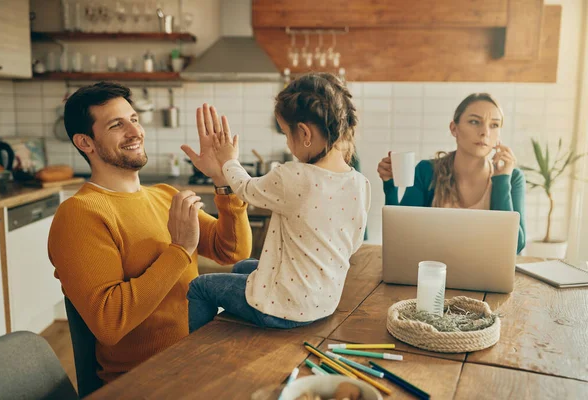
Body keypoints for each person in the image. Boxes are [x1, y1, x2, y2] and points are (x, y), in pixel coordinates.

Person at [47, 82, 251, 383]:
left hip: (198, 359)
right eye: (117, 125)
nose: (135, 132)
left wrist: (223, 178)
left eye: (135, 120)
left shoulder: (164, 195)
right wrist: (180, 250)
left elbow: (232, 250)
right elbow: (110, 321)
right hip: (146, 381)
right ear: (85, 143)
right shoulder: (80, 213)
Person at [185, 73, 371, 332]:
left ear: (305, 133)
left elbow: (246, 189)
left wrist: (229, 160)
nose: (287, 142)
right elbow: (353, 245)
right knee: (242, 267)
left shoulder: (294, 176)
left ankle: (194, 358)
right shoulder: (359, 183)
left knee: (199, 287)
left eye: (286, 133)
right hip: (324, 302)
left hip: (286, 308)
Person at [377, 93, 526, 253]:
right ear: (454, 128)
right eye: (475, 122)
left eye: (494, 125)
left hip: (485, 276)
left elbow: (515, 246)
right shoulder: (426, 171)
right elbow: (400, 233)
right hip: (433, 272)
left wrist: (502, 180)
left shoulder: (512, 178)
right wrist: (390, 186)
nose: (485, 132)